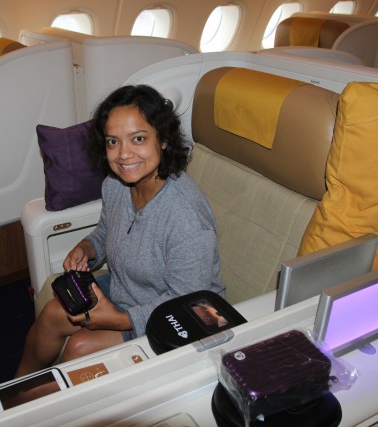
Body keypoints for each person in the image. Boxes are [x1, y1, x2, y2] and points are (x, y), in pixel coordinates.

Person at [15, 84, 225, 377]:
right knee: (52, 313)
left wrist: (120, 319)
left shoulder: (186, 216)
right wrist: (87, 248)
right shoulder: (115, 185)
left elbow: (188, 302)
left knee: (80, 346)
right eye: (113, 142)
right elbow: (106, 231)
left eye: (138, 138)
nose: (124, 155)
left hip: (175, 316)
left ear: (163, 139)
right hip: (125, 291)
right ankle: (16, 390)